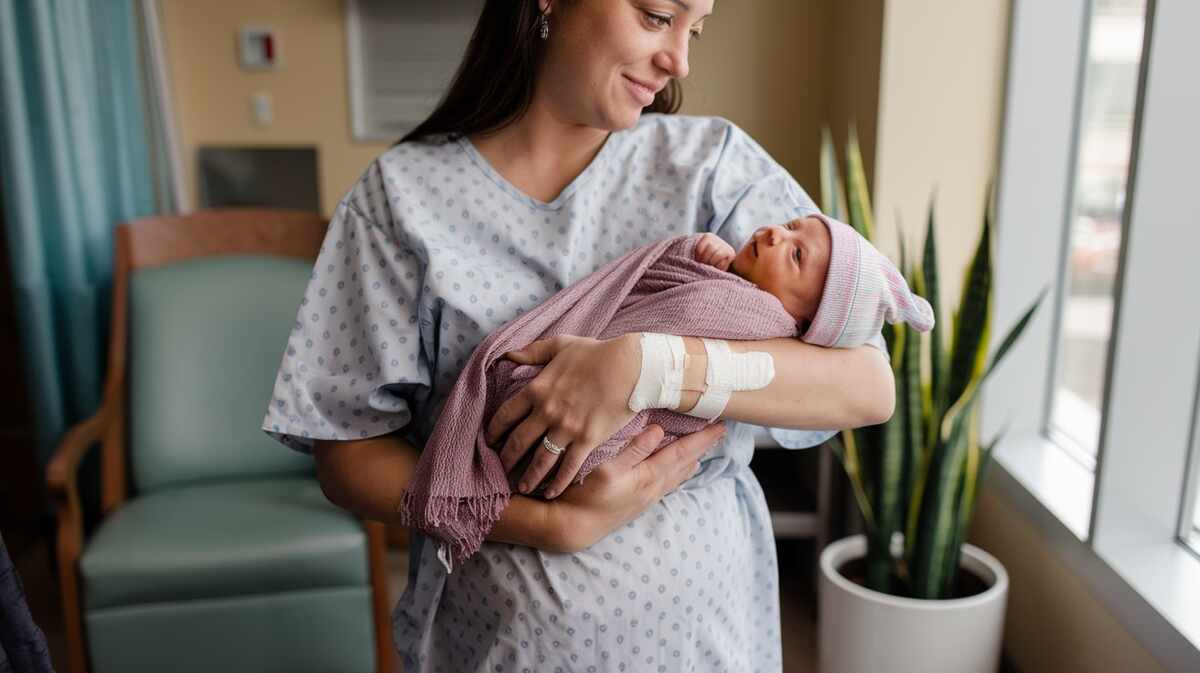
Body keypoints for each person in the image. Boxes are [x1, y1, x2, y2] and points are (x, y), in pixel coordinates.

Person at [260, 1, 895, 671]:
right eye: (657, 15)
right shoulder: (400, 200)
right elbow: (347, 454)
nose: (680, 60)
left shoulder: (711, 166)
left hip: (703, 640)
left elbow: (867, 385)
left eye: (697, 29)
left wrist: (644, 366)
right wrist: (549, 523)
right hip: (509, 646)